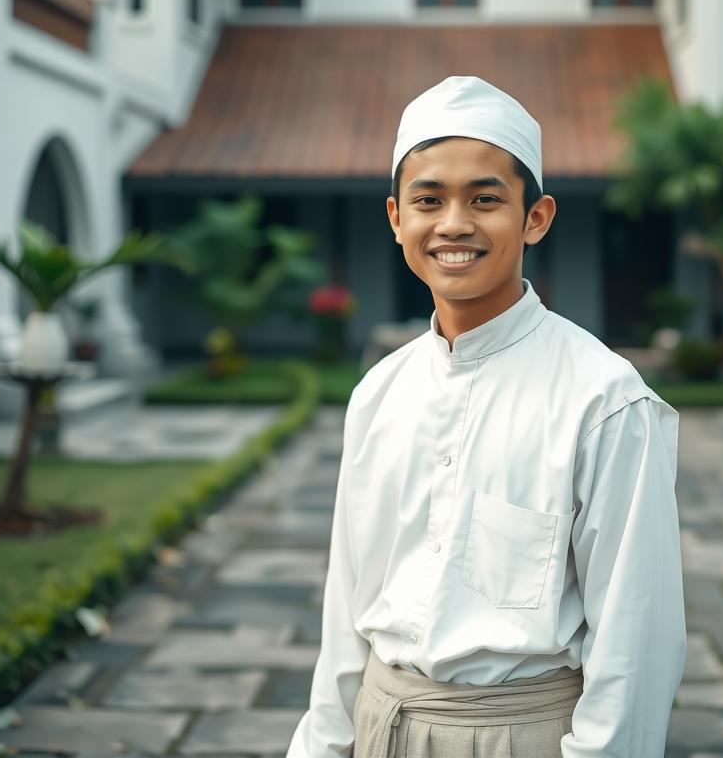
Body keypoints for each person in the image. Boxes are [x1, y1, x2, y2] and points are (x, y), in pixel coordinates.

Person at [286, 75, 687, 758]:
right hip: (382, 726)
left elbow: (635, 647)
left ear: (536, 217)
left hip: (524, 736)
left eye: (485, 199)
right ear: (395, 219)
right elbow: (345, 610)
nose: (453, 224)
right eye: (428, 200)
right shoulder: (378, 392)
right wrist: (321, 745)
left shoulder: (604, 400)